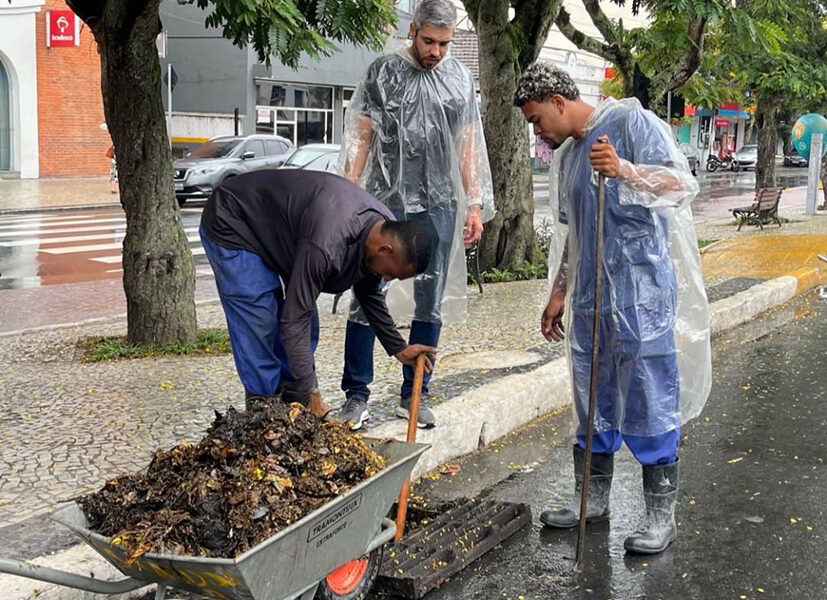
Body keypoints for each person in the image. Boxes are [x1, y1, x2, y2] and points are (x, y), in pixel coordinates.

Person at [514, 62, 711, 555]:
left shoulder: (631, 124)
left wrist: (624, 169)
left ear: (559, 102)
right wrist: (558, 292)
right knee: (592, 403)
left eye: (538, 120)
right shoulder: (568, 159)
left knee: (648, 400)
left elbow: (681, 187)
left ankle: (659, 517)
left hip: (640, 300)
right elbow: (572, 234)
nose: (537, 132)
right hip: (589, 304)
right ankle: (592, 501)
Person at [337, 0, 495, 430]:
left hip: (439, 206)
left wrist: (474, 203)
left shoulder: (459, 80)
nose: (436, 52)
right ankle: (356, 394)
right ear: (413, 30)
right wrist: (347, 196)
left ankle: (417, 392)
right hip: (384, 203)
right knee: (366, 294)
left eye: (445, 43)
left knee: (431, 298)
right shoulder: (382, 73)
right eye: (429, 41)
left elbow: (467, 145)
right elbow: (361, 135)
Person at [199, 169, 437, 414]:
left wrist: (398, 347)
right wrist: (313, 393)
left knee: (307, 326)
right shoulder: (328, 243)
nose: (387, 279)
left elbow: (369, 292)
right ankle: (264, 410)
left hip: (283, 234)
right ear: (385, 250)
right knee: (260, 318)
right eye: (392, 273)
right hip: (234, 220)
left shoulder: (383, 229)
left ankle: (294, 402)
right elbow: (293, 321)